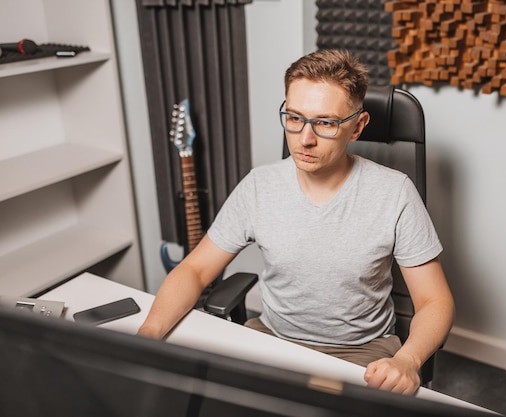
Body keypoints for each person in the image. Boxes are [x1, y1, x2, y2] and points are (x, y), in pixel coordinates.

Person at [138, 49, 454, 395]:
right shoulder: (259, 185)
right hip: (273, 339)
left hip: (360, 353)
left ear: (357, 127)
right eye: (295, 117)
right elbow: (194, 270)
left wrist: (407, 361)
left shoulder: (395, 194)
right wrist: (150, 335)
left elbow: (434, 301)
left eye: (325, 122)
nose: (304, 138)